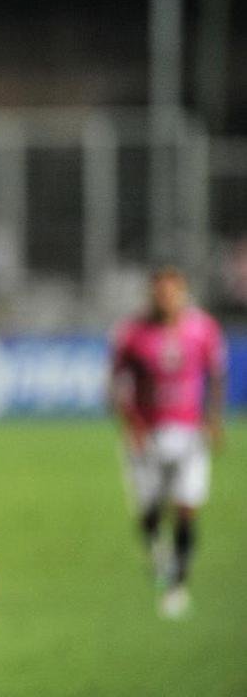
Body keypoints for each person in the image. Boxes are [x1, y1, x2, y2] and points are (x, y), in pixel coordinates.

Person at [110, 265, 226, 619]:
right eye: (160, 291)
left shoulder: (203, 329)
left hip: (189, 432)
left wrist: (214, 419)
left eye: (172, 291)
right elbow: (116, 384)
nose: (166, 298)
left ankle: (178, 582)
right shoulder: (132, 333)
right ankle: (158, 553)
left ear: (183, 292)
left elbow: (215, 375)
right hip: (148, 433)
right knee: (149, 510)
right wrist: (132, 425)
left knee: (187, 506)